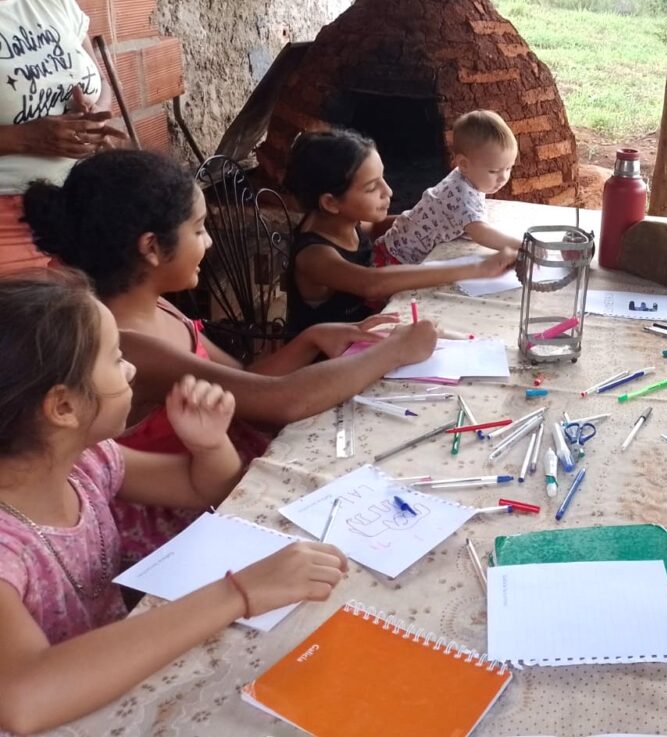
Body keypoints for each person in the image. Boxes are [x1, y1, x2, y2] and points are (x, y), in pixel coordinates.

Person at [23, 150, 439, 562]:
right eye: (199, 229)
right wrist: (394, 350)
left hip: (221, 468)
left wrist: (309, 339)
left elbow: (247, 379)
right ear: (152, 247)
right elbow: (280, 402)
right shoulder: (127, 345)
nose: (209, 241)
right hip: (185, 519)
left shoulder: (159, 306)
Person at [0, 272, 348, 734]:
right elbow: (22, 699)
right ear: (63, 408)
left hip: (113, 674)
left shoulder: (87, 461)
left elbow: (203, 488)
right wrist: (238, 592)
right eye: (117, 359)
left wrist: (206, 445)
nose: (131, 371)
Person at [283, 129, 516, 332]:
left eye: (382, 178)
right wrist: (476, 268)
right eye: (372, 187)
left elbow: (375, 227)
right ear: (331, 202)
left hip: (371, 327)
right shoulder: (313, 255)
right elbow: (371, 284)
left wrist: (428, 221)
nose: (389, 191)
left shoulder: (345, 221)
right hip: (326, 361)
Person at [0, 0, 126, 274]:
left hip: (84, 203)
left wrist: (100, 112)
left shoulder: (55, 3)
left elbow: (101, 83)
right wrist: (24, 138)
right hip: (7, 222)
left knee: (99, 314)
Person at [376, 110, 523, 265]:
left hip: (394, 244)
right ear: (464, 164)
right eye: (493, 171)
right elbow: (481, 234)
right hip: (396, 259)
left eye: (509, 168)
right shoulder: (461, 196)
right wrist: (523, 246)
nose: (503, 177)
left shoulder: (466, 176)